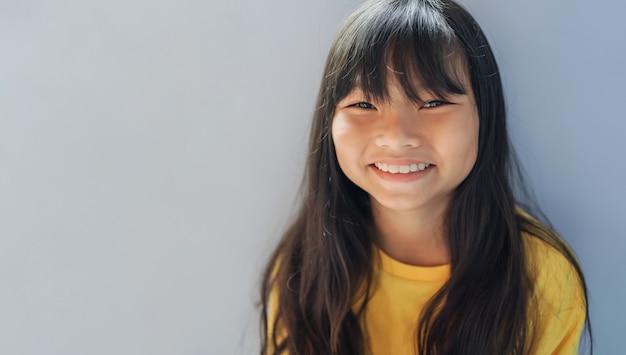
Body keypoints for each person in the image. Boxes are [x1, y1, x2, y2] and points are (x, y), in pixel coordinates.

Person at [259, 0, 591, 353]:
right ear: (330, 122)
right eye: (364, 104)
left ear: (484, 116)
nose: (398, 136)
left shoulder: (542, 277)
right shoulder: (302, 269)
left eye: (433, 103)